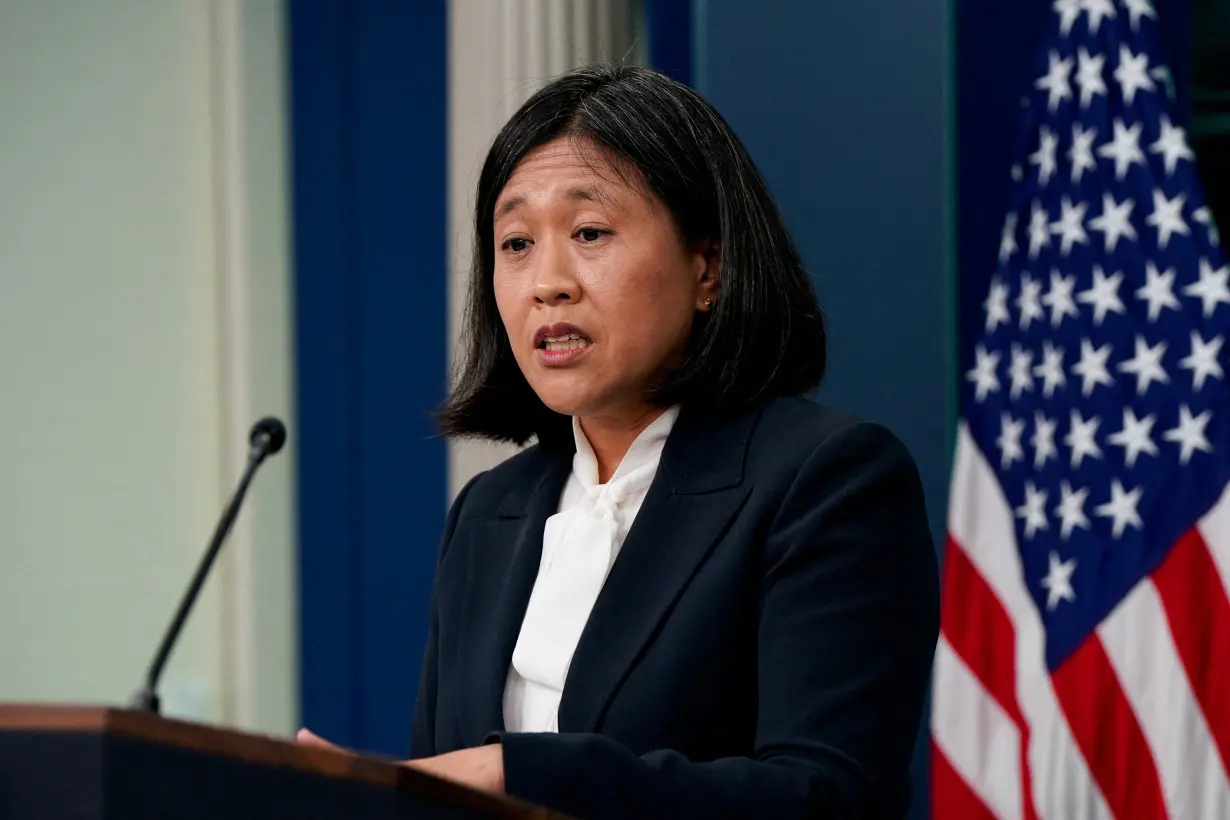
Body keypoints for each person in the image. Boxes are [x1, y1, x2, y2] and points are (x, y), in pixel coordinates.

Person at [299, 63, 940, 819]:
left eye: (590, 232)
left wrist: (523, 775)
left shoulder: (826, 480)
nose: (548, 282)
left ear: (709, 266)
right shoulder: (489, 513)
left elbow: (829, 800)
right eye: (515, 244)